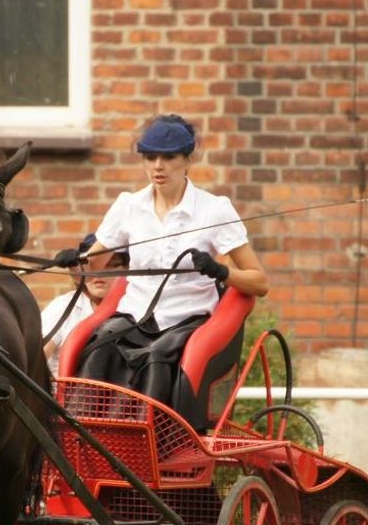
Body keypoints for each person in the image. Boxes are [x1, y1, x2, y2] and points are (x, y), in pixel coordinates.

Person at [54, 113, 269, 421]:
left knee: (155, 358)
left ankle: (151, 440)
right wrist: (76, 259)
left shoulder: (214, 210)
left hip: (186, 320)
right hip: (133, 316)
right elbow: (95, 262)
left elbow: (260, 282)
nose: (158, 166)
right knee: (99, 349)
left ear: (188, 158)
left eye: (168, 157)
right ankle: (83, 434)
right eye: (150, 157)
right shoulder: (128, 206)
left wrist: (221, 271)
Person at [39, 234, 129, 376]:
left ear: (127, 269)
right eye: (91, 265)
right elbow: (37, 358)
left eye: (110, 264)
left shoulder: (137, 309)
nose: (99, 273)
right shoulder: (63, 307)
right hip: (61, 388)